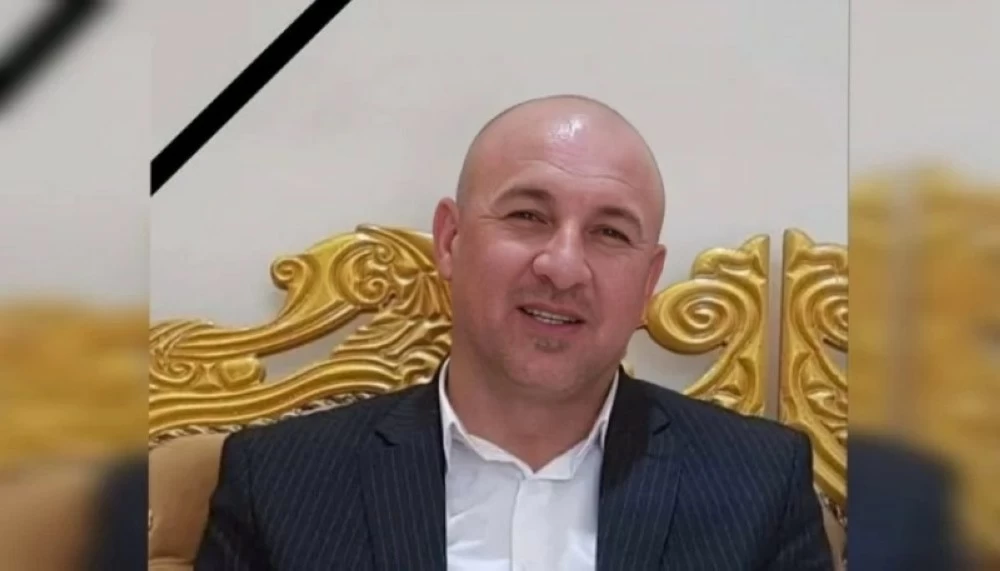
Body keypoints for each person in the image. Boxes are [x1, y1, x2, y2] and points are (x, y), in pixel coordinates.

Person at [194, 95, 833, 570]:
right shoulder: (281, 482)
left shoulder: (758, 483)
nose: (563, 266)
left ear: (648, 282)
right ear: (450, 240)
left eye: (610, 232)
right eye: (528, 215)